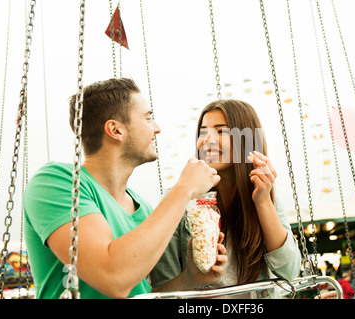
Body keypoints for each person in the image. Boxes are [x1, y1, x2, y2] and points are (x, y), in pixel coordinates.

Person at [23, 77, 227, 299]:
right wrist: (184, 188)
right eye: (148, 118)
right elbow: (113, 278)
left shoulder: (143, 208)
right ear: (115, 130)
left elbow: (138, 295)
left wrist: (190, 279)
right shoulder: (56, 181)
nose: (157, 128)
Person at [150, 99, 301, 298]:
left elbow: (289, 271)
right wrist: (191, 277)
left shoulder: (265, 195)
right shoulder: (179, 198)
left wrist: (262, 201)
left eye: (221, 131)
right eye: (203, 132)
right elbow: (163, 289)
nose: (207, 140)